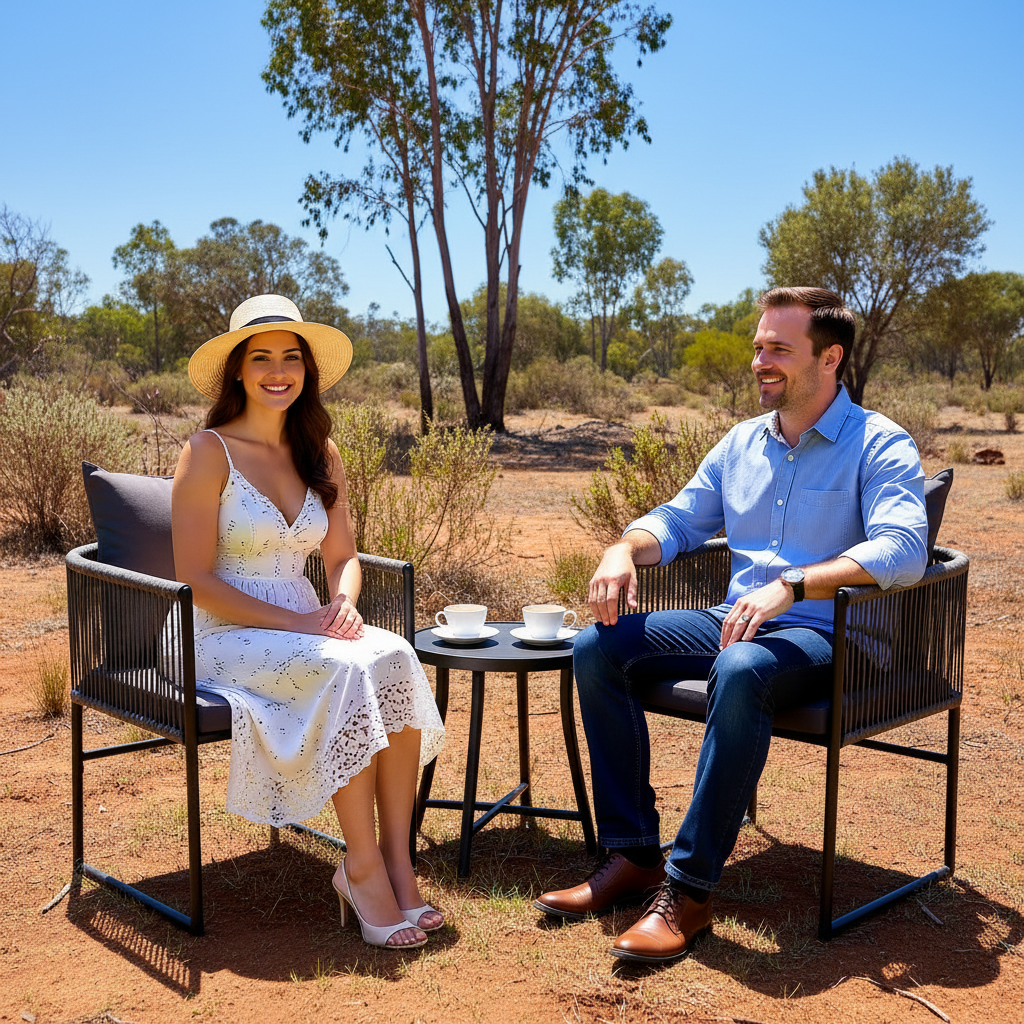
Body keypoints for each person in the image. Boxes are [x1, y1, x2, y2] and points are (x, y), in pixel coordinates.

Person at [534, 286, 929, 963]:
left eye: (779, 348)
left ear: (830, 358)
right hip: (736, 621)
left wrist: (795, 583)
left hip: (835, 633)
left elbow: (905, 548)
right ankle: (632, 855)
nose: (760, 361)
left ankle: (688, 893)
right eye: (758, 347)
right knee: (599, 643)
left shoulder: (879, 443)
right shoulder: (742, 442)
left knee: (740, 668)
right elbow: (682, 519)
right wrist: (623, 546)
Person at [173, 294, 446, 950]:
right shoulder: (207, 451)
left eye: (290, 358)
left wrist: (344, 601)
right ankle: (362, 869)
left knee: (395, 656)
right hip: (216, 633)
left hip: (306, 620)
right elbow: (194, 580)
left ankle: (400, 863)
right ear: (237, 370)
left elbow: (343, 556)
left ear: (306, 371)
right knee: (349, 668)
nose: (277, 370)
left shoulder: (321, 450)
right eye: (260, 357)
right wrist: (304, 626)